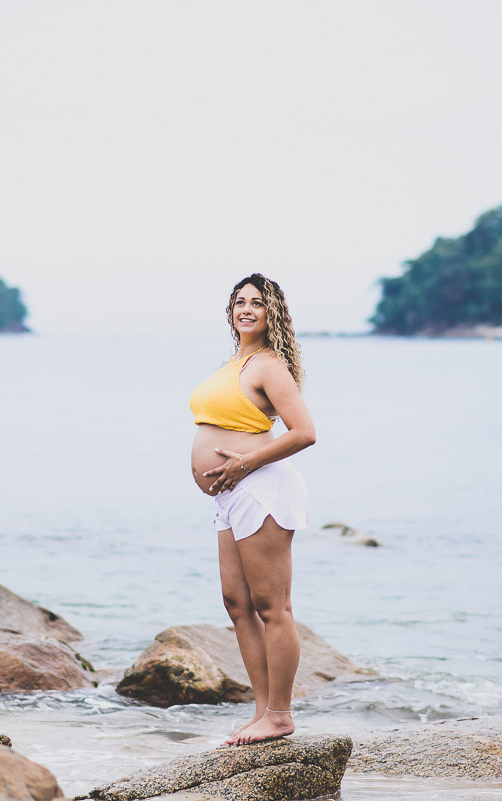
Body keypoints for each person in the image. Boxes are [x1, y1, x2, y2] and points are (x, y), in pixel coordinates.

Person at [188, 273, 316, 746]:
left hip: (261, 488)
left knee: (272, 606)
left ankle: (280, 714)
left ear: (271, 313)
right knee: (237, 604)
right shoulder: (234, 363)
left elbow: (304, 431)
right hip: (230, 492)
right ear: (230, 311)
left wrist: (244, 463)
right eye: (239, 302)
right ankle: (262, 711)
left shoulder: (268, 365)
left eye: (257, 303)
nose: (246, 309)